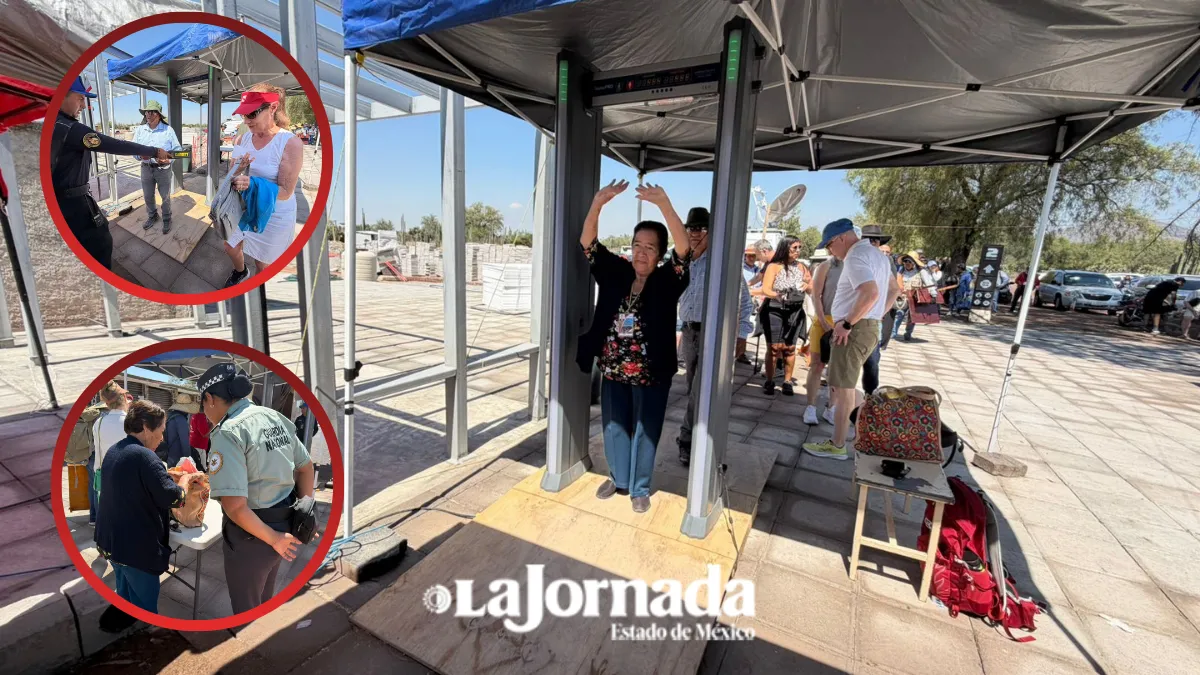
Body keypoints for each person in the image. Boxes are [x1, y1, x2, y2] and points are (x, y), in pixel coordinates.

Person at [576, 180, 690, 512]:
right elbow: (588, 244)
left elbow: (685, 250)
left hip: (652, 371)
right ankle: (619, 478)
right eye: (637, 244)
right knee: (613, 425)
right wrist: (597, 204)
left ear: (660, 253)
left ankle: (639, 486)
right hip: (614, 367)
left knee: (646, 428)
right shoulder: (616, 272)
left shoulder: (668, 280)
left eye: (650, 247)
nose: (641, 252)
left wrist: (665, 205)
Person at [202, 363, 315, 614]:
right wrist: (305, 514)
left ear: (209, 398)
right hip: (285, 523)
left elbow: (235, 507)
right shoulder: (273, 416)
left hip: (254, 534)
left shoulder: (228, 432)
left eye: (203, 405)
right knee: (265, 599)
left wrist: (274, 539)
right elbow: (306, 467)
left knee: (247, 610)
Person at [803, 219, 901, 460]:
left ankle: (837, 444)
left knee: (843, 388)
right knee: (847, 385)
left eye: (829, 245)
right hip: (867, 326)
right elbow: (893, 290)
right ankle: (861, 434)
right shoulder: (878, 255)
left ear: (841, 238)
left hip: (854, 329)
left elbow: (871, 292)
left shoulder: (856, 256)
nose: (830, 251)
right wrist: (876, 314)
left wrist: (848, 322)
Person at [51, 77, 170, 269]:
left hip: (63, 201)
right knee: (100, 243)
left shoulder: (55, 124)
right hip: (72, 203)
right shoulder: (70, 129)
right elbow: (116, 145)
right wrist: (154, 151)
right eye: (80, 98)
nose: (83, 105)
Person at [94, 400, 187, 617]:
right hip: (134, 550)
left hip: (112, 543)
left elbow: (135, 489)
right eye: (161, 431)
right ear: (146, 427)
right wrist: (183, 482)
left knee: (125, 600)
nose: (162, 438)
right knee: (145, 611)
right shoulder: (144, 456)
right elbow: (174, 499)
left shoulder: (116, 450)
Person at [675, 209, 753, 465]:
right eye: (690, 228)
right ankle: (700, 434)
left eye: (700, 228)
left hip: (713, 332)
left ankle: (687, 440)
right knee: (693, 389)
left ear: (711, 232)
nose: (694, 233)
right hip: (689, 331)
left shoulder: (722, 263)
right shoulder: (683, 261)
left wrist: (741, 334)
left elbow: (744, 301)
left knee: (700, 390)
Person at [223, 84, 305, 287]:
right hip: (245, 206)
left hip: (274, 213)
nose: (246, 121)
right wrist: (239, 169)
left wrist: (251, 183)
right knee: (230, 245)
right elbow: (233, 172)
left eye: (251, 114)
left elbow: (285, 192)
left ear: (273, 108)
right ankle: (241, 271)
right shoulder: (242, 139)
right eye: (243, 115)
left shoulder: (290, 143)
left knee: (263, 263)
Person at [759, 237, 812, 396]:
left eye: (799, 247)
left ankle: (787, 381)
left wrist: (806, 285)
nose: (798, 251)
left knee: (790, 348)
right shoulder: (774, 266)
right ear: (785, 248)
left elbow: (811, 288)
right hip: (775, 309)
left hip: (795, 310)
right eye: (794, 247)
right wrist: (778, 295)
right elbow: (765, 289)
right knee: (774, 348)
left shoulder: (802, 267)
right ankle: (770, 380)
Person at [131, 100, 182, 235]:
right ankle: (152, 216)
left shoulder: (168, 130)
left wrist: (168, 159)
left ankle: (166, 218)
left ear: (159, 115)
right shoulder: (140, 130)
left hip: (163, 170)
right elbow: (133, 149)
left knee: (165, 196)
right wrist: (140, 156)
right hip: (146, 168)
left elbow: (179, 150)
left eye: (152, 112)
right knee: (148, 195)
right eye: (147, 112)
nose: (148, 114)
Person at [803, 249, 842, 424]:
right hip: (824, 319)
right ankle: (811, 406)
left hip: (845, 322)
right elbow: (815, 295)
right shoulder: (827, 266)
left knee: (837, 368)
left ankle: (831, 407)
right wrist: (823, 322)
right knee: (817, 365)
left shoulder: (858, 265)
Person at [89, 381, 131, 525]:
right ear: (124, 398)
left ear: (106, 403)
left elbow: (98, 452)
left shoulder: (99, 423)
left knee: (109, 519)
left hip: (104, 476)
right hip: (127, 477)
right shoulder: (130, 422)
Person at [894, 252, 938, 342]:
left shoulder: (921, 272)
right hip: (903, 297)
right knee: (899, 315)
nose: (907, 263)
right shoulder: (901, 272)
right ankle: (893, 333)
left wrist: (933, 295)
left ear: (914, 262)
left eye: (909, 261)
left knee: (912, 318)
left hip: (915, 298)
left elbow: (929, 283)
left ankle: (908, 333)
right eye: (905, 261)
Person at [157, 391, 203, 468]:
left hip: (169, 457)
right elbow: (185, 443)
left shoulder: (170, 417)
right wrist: (189, 459)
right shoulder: (181, 420)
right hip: (179, 459)